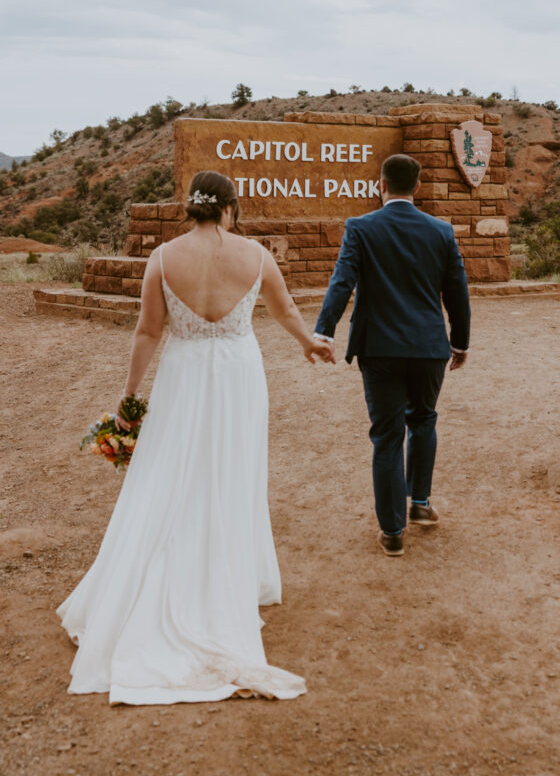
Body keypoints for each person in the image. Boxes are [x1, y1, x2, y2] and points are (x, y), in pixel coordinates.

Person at [57, 170, 332, 704]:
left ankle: (167, 576)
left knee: (170, 468)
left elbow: (148, 330)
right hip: (238, 375)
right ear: (231, 207)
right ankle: (225, 577)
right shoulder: (256, 254)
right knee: (232, 469)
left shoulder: (163, 258)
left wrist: (130, 397)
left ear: (192, 208)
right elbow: (285, 310)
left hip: (183, 374)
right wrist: (307, 343)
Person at [315, 153, 470, 557]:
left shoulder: (361, 228)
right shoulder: (441, 231)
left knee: (387, 436)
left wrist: (324, 331)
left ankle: (392, 532)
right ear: (417, 187)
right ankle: (419, 504)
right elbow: (457, 291)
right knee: (424, 420)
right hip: (429, 347)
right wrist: (460, 342)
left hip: (379, 347)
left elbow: (342, 281)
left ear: (379, 184)